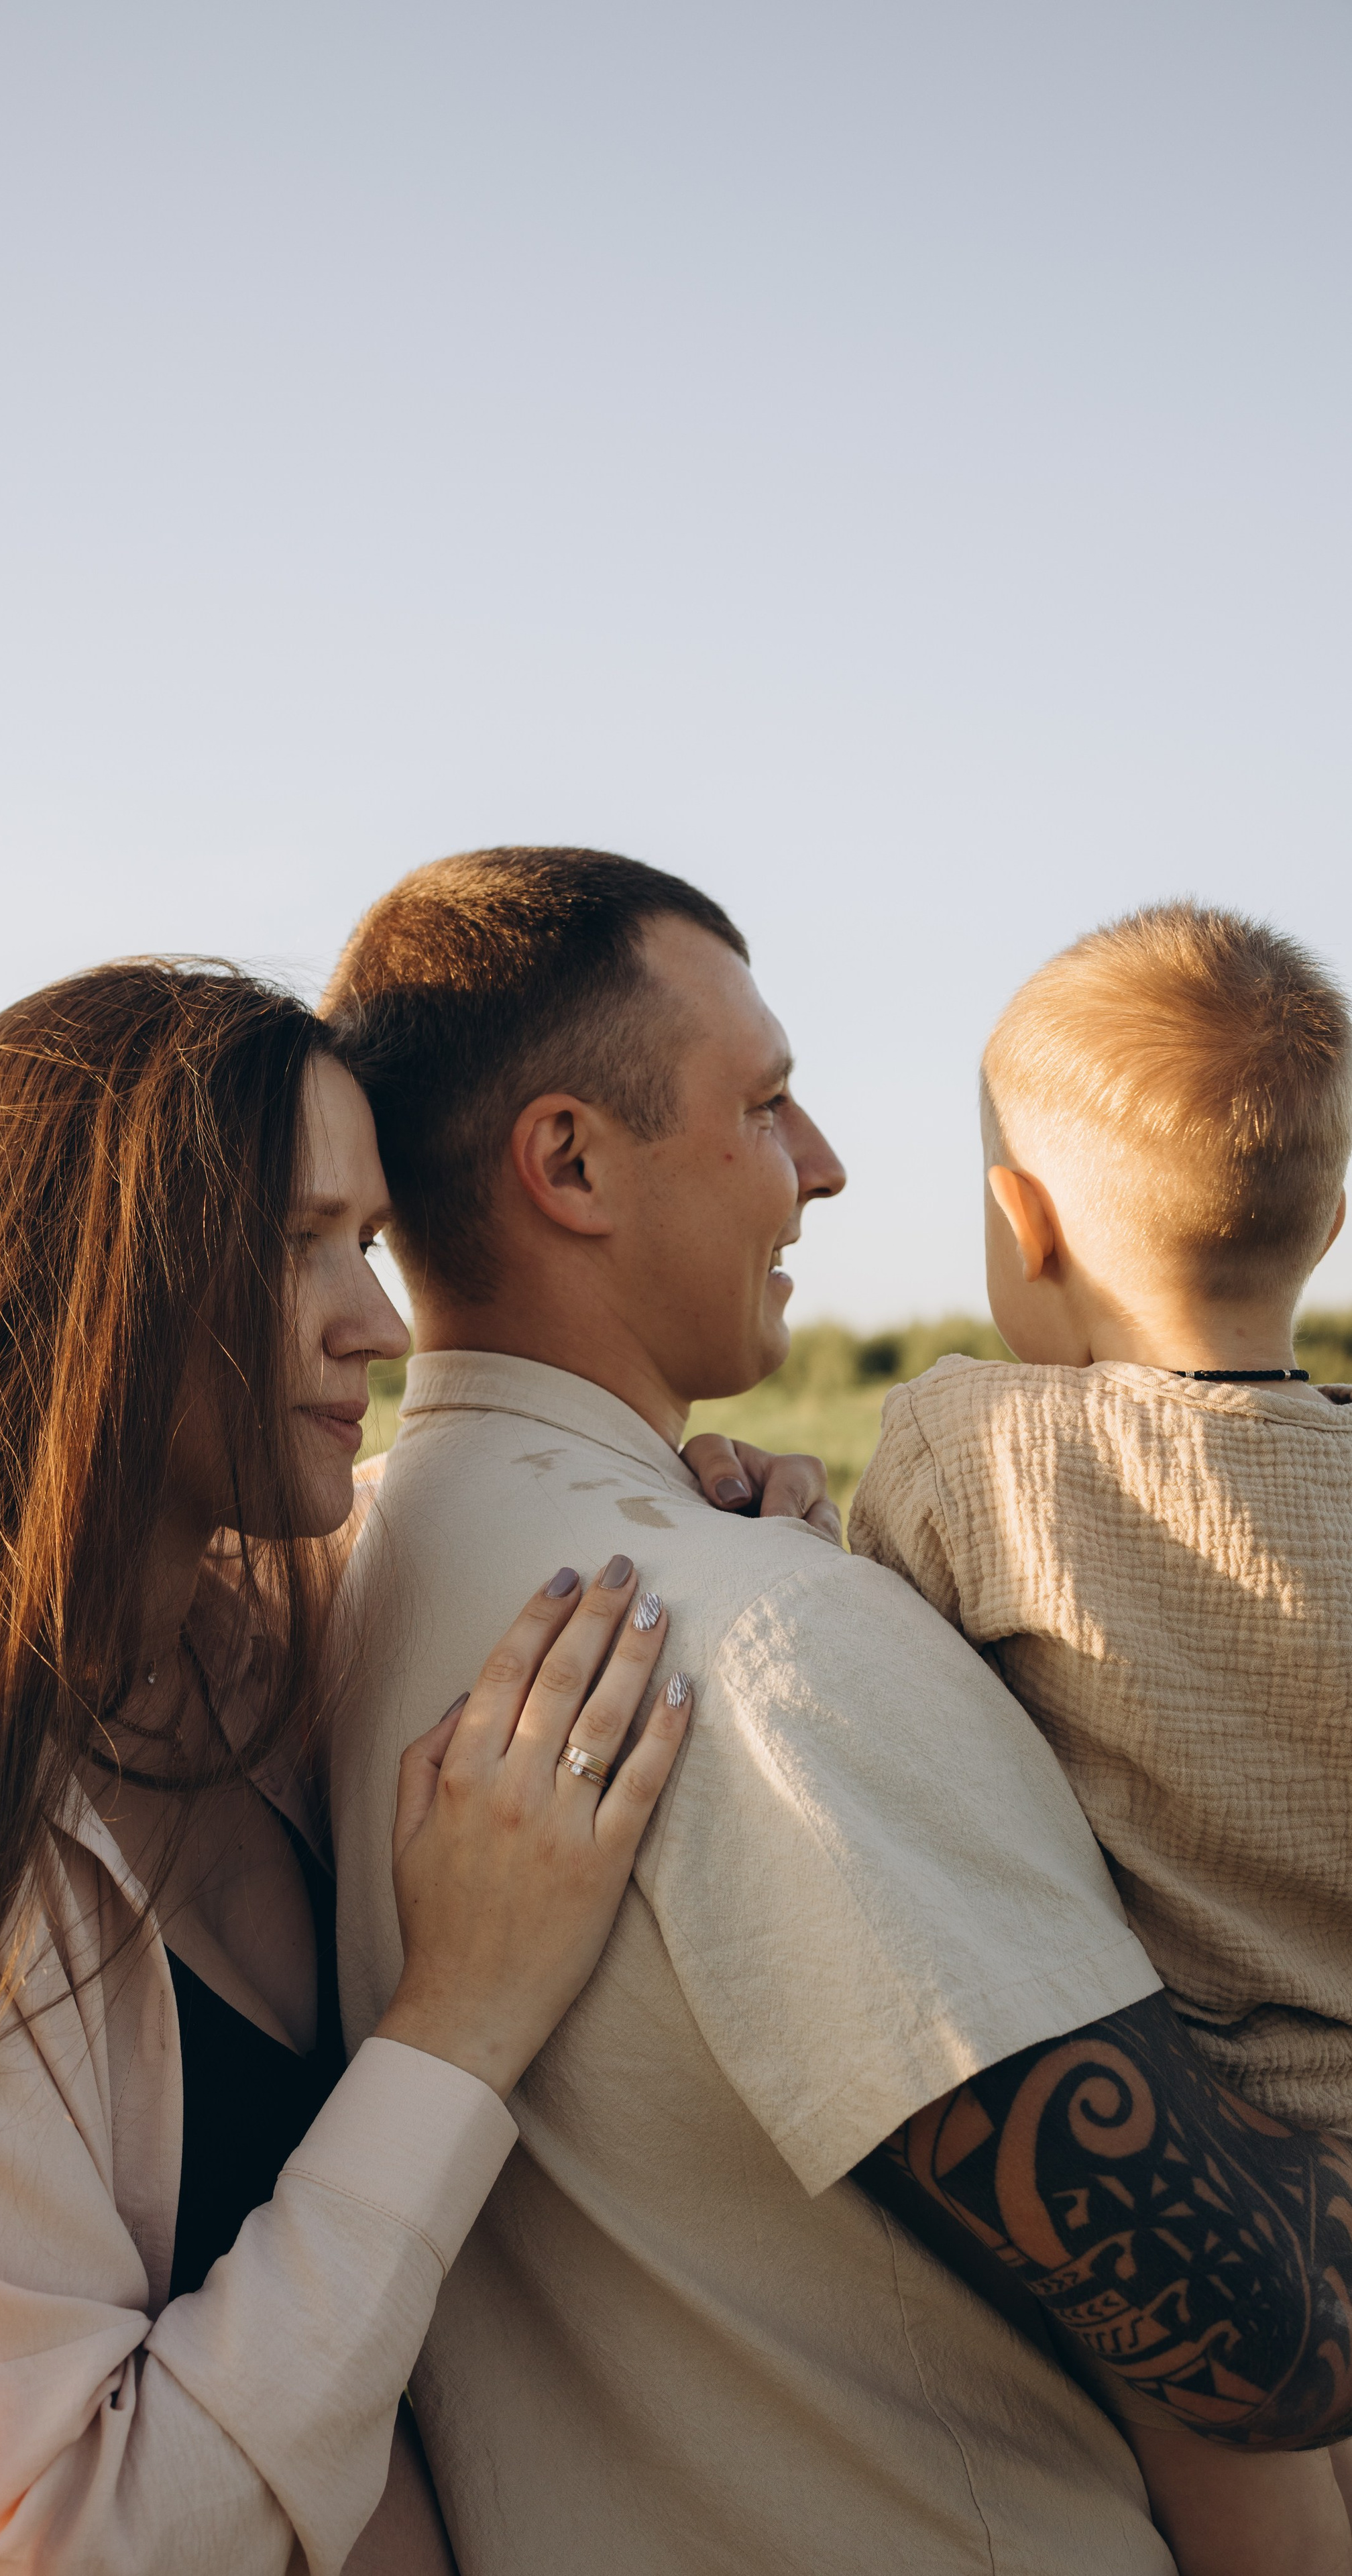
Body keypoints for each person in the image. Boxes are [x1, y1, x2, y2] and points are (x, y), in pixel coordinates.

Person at [323, 845, 1352, 2576]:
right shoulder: (774, 1647)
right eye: (770, 1102)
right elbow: (1252, 2334)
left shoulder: (347, 1584)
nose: (825, 1165)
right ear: (568, 1161)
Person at [0, 959, 697, 2576]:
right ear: (81, 1287)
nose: (382, 1320)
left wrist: (684, 1510)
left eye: (369, 1241)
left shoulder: (255, 1640)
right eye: (296, 1249)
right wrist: (459, 2027)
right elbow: (55, 2539)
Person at [850, 901, 1352, 2576]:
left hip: (1184, 2207)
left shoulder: (967, 1451)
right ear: (1331, 1209)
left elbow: (872, 1678)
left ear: (1021, 1219)